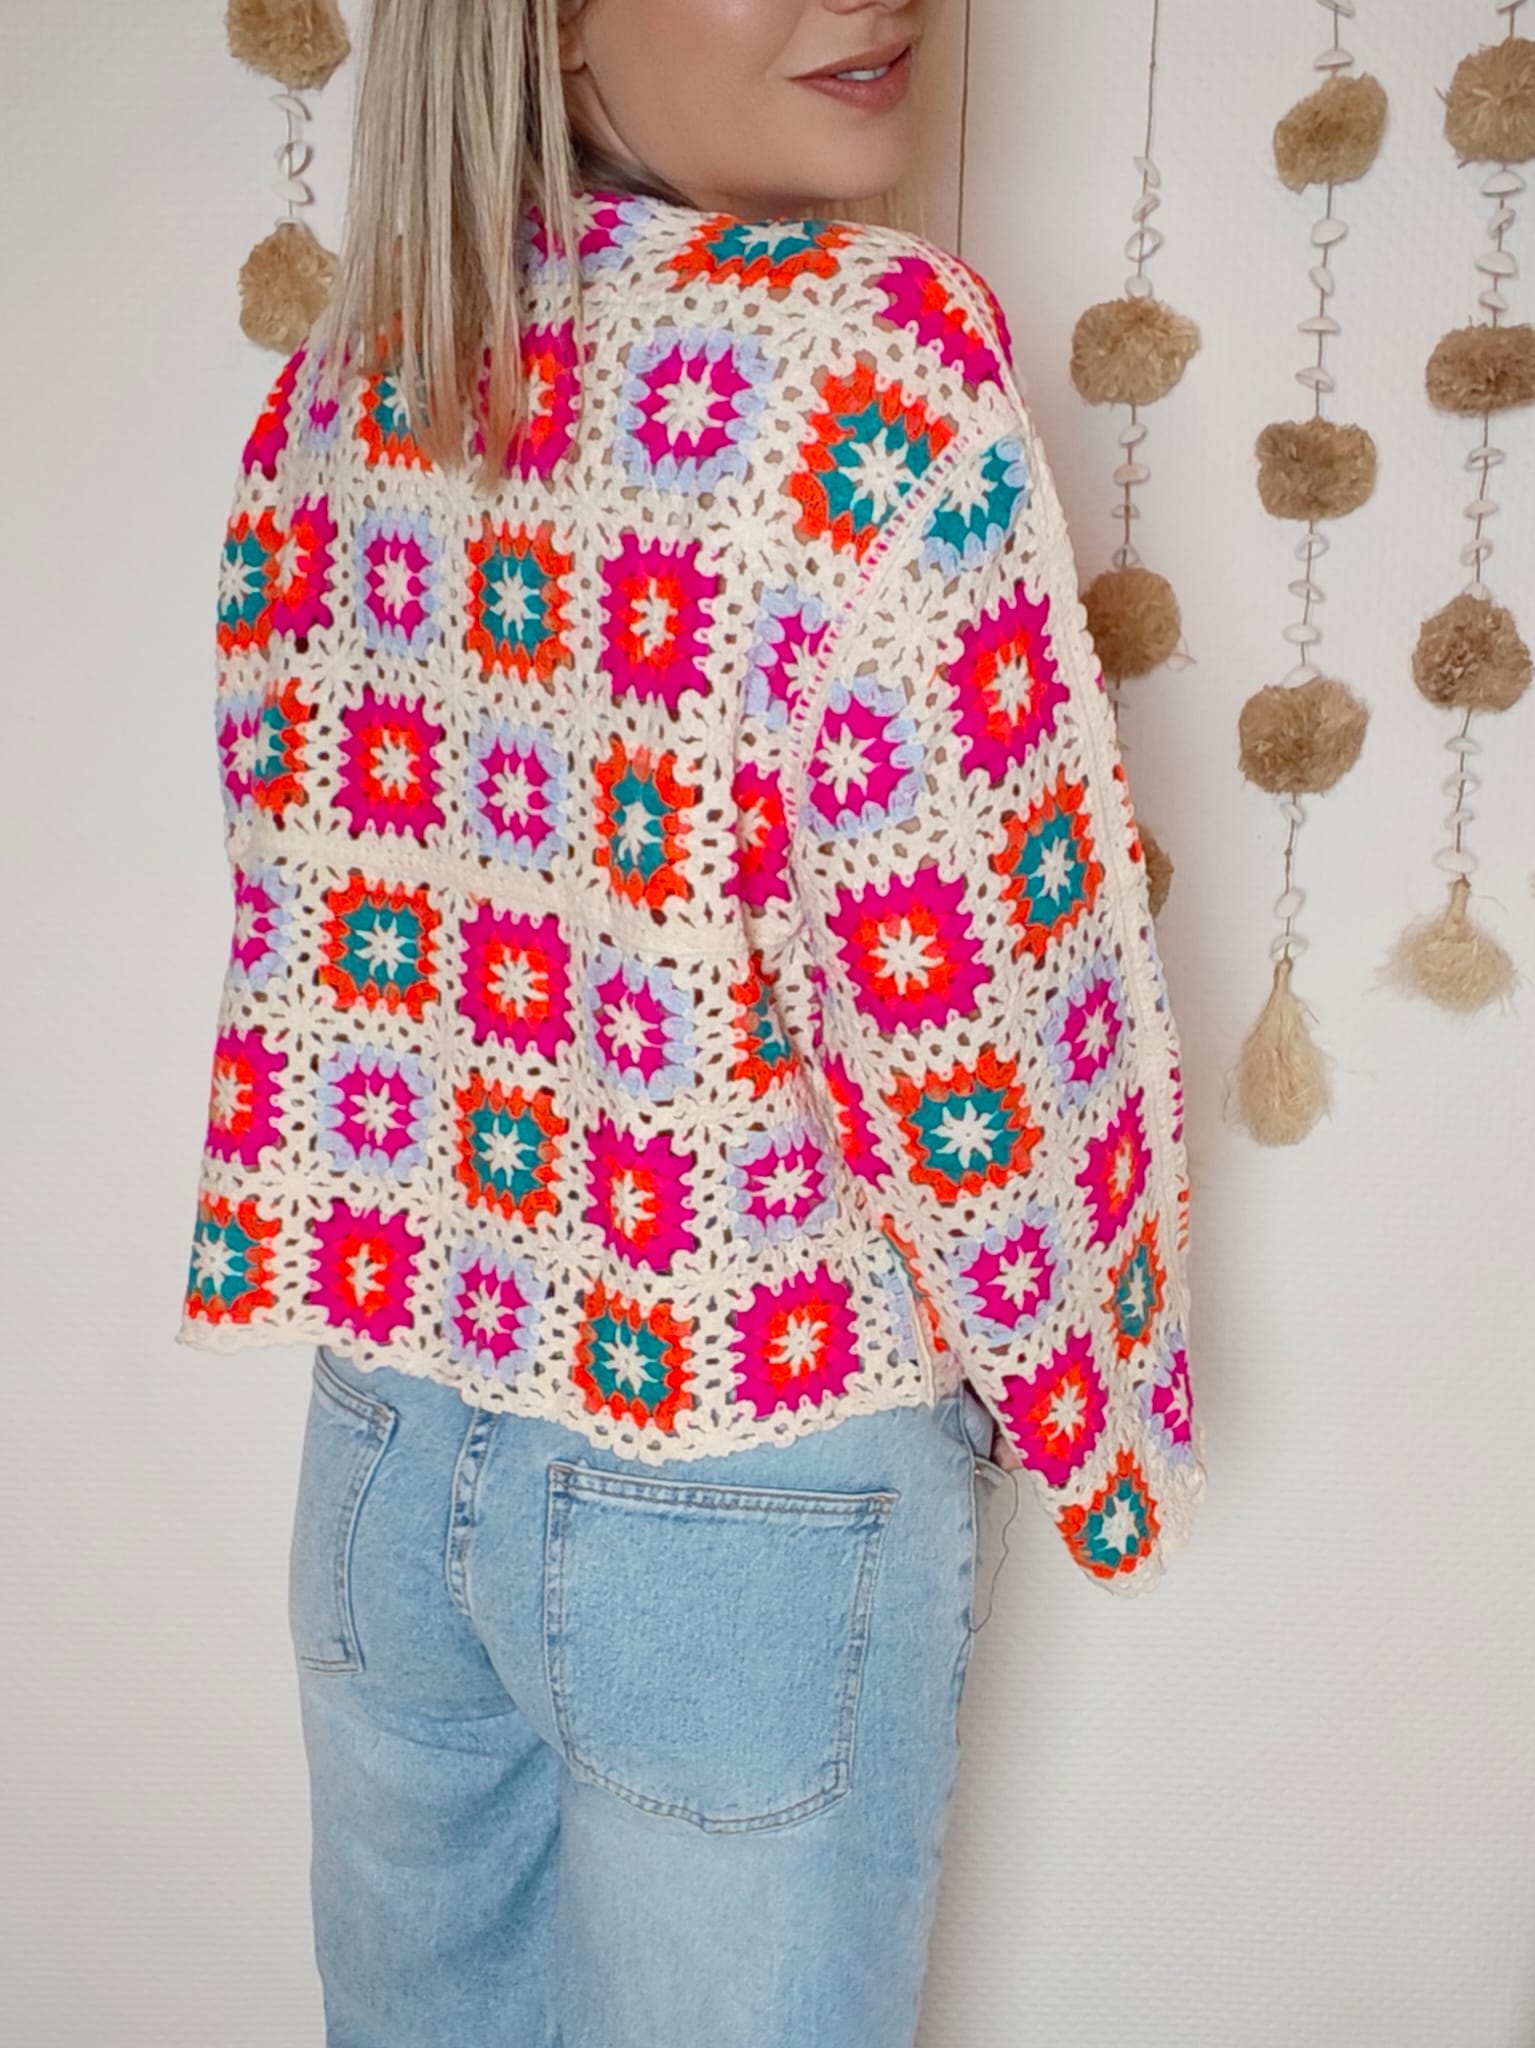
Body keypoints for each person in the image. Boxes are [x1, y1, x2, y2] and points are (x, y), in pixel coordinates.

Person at [178, 2, 1209, 2041]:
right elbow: (985, 1004)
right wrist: (1101, 1434)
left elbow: (296, 885)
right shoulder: (869, 367)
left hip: (381, 1442)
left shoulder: (354, 375)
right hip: (749, 1468)